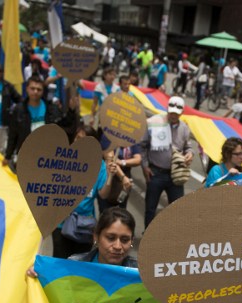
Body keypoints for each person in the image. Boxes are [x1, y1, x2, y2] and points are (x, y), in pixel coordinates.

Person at [140, 95, 193, 228]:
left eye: (176, 113)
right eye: (171, 112)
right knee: (150, 208)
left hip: (176, 175)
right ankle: (148, 237)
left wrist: (189, 154)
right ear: (167, 110)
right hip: (155, 172)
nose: (173, 115)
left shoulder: (185, 128)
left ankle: (171, 238)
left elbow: (188, 146)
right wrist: (145, 166)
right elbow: (142, 145)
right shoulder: (154, 122)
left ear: (181, 113)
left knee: (176, 210)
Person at [5, 75, 63, 165]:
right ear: (27, 89)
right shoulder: (19, 109)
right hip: (25, 155)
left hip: (46, 156)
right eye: (32, 88)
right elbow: (13, 134)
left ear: (43, 91)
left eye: (39, 89)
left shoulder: (51, 109)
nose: (35, 92)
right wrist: (8, 156)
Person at [70, 207, 137, 267]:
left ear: (132, 241)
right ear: (96, 236)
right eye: (111, 238)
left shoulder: (142, 272)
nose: (117, 246)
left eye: (125, 240)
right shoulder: (73, 265)